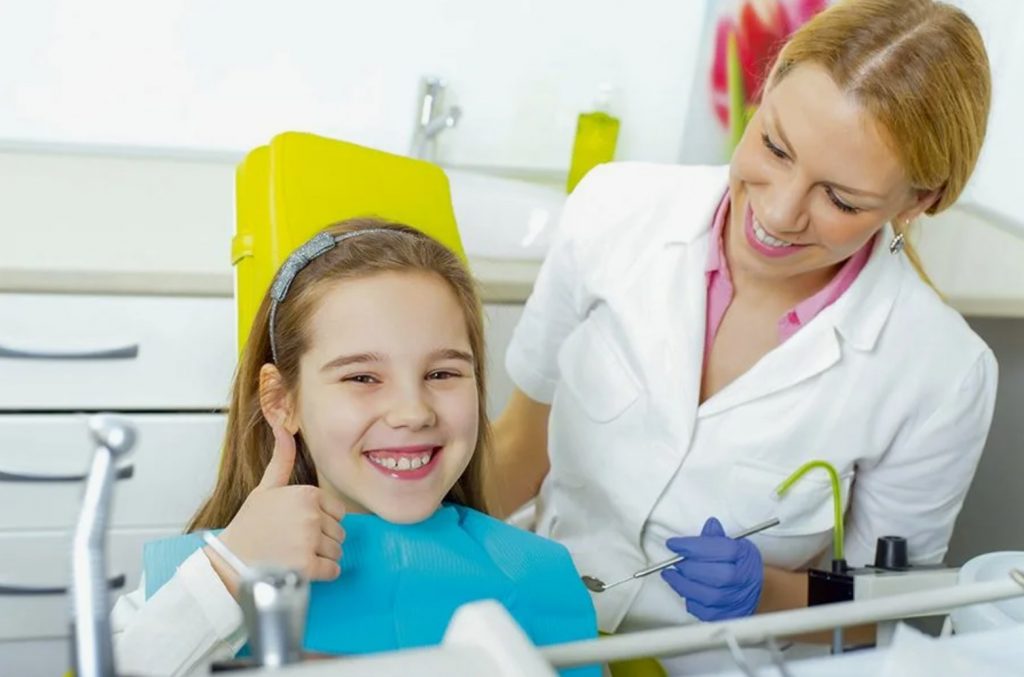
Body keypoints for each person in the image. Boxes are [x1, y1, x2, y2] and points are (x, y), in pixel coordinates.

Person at [488, 0, 996, 665]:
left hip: (724, 659)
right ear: (767, 86)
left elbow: (882, 608)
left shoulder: (943, 371)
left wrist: (767, 592)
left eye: (840, 199)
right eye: (774, 147)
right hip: (544, 620)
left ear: (918, 201)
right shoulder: (613, 207)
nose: (779, 213)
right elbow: (520, 446)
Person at [111, 220, 598, 676]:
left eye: (442, 373)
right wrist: (229, 569)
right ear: (282, 402)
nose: (413, 412)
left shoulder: (538, 576)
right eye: (362, 377)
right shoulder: (202, 580)